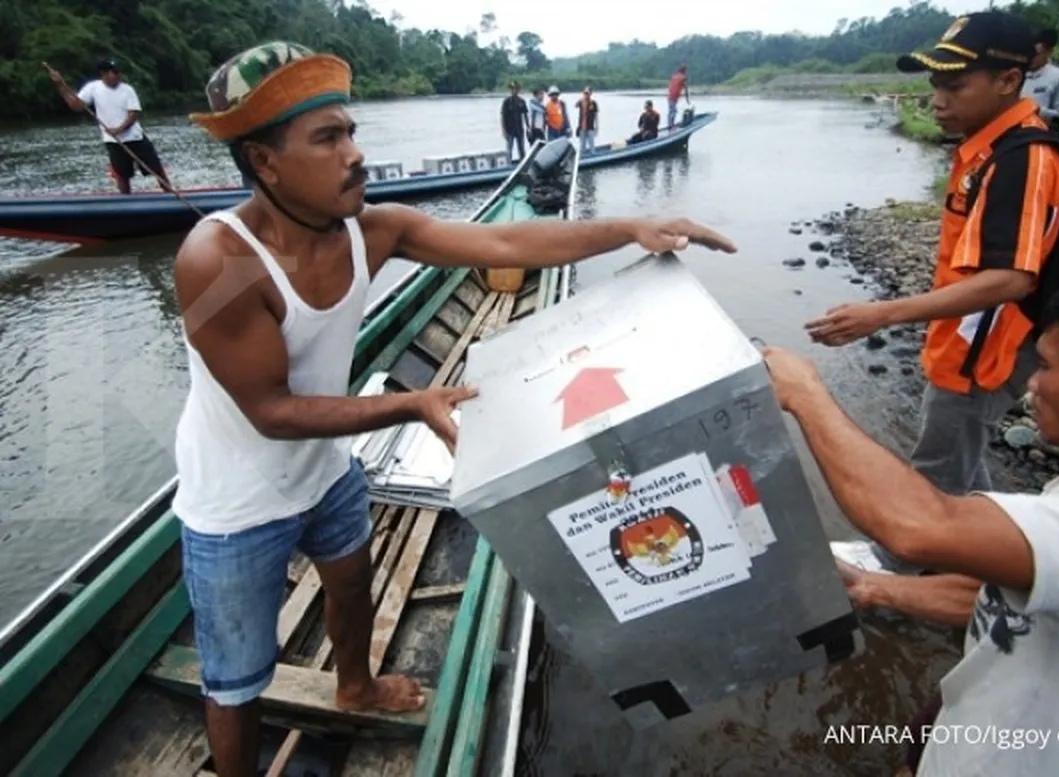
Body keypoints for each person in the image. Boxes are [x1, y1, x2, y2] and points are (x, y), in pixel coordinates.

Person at [173, 41, 736, 777]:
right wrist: (413, 403)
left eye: (350, 132)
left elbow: (503, 238)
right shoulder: (217, 261)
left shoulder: (371, 230)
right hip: (237, 499)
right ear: (264, 161)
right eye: (328, 139)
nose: (355, 154)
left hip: (325, 469)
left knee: (351, 584)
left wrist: (629, 227)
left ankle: (356, 685)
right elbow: (270, 412)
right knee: (236, 672)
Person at [762, 264, 1059, 777]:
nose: (1032, 384)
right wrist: (877, 588)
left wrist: (805, 394)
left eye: (1047, 366)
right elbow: (1014, 595)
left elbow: (918, 526)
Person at [810, 12, 1059, 575]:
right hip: (969, 332)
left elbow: (1012, 279)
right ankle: (1000, 555)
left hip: (989, 343)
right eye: (936, 85)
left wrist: (882, 314)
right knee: (962, 454)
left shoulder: (1024, 159)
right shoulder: (987, 148)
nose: (938, 100)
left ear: (1008, 80)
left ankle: (893, 571)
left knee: (937, 459)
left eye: (956, 86)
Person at [45, 57, 172, 194]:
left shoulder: (127, 90)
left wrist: (119, 129)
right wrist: (61, 85)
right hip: (113, 141)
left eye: (118, 72)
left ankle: (169, 194)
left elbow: (134, 114)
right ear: (104, 74)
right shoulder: (93, 88)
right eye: (114, 72)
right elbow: (76, 106)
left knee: (156, 169)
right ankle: (125, 201)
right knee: (122, 176)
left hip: (135, 138)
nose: (118, 75)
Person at [1021, 27, 1059, 128]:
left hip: (1041, 131)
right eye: (1028, 54)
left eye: (1036, 54)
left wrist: (1036, 110)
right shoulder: (1018, 75)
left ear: (1048, 52)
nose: (1031, 58)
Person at [500, 81, 529, 163]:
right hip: (509, 129)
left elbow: (525, 115)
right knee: (509, 148)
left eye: (516, 89)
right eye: (512, 89)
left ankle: (523, 162)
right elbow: (502, 116)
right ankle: (508, 163)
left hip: (519, 129)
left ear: (518, 90)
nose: (514, 91)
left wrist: (528, 127)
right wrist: (503, 130)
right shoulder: (506, 101)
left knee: (521, 148)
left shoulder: (522, 101)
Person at [575, 86, 599, 154]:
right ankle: (583, 156)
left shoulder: (593, 103)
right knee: (582, 146)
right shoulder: (581, 101)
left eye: (587, 93)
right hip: (582, 127)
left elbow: (596, 115)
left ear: (591, 93)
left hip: (590, 127)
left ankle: (593, 155)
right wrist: (580, 100)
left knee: (591, 144)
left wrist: (597, 127)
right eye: (585, 93)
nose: (586, 95)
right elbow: (575, 105)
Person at [667, 65, 689, 129]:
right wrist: (687, 98)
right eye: (686, 71)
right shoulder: (683, 78)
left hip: (670, 95)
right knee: (673, 111)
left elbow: (671, 84)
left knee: (671, 110)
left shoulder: (674, 76)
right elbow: (685, 88)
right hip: (674, 96)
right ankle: (671, 125)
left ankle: (670, 124)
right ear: (684, 71)